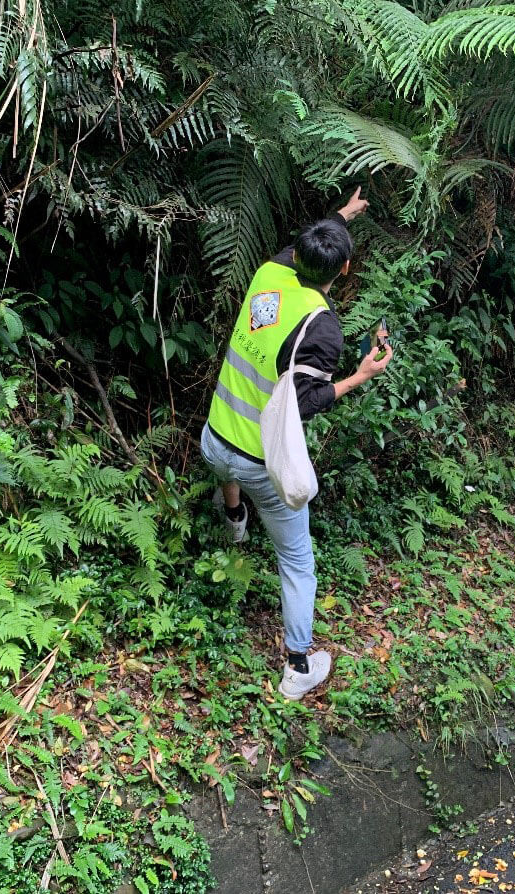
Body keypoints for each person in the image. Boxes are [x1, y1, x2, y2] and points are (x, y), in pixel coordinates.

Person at [200, 188, 393, 701]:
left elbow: (305, 249)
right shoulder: (321, 326)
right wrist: (359, 376)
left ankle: (234, 524)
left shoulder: (269, 273)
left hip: (213, 437)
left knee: (229, 468)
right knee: (298, 560)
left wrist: (341, 215)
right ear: (346, 269)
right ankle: (298, 665)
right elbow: (306, 402)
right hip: (259, 461)